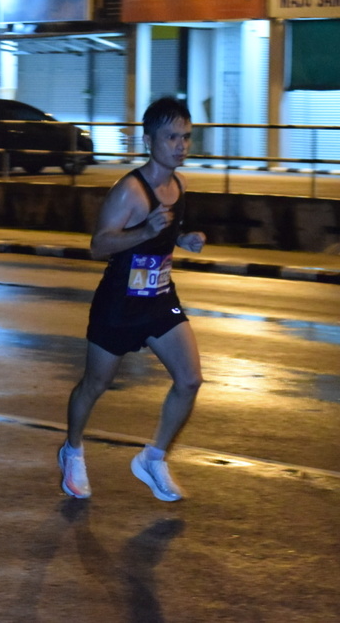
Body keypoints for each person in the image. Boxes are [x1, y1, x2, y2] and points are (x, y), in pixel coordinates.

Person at [58, 97, 207, 502]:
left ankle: (153, 458)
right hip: (119, 304)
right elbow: (98, 245)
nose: (180, 145)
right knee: (95, 384)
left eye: (186, 137)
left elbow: (163, 233)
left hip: (158, 297)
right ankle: (72, 451)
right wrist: (144, 232)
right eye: (171, 137)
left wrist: (183, 239)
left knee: (190, 379)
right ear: (148, 140)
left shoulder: (179, 185)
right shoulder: (129, 191)